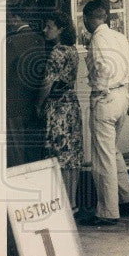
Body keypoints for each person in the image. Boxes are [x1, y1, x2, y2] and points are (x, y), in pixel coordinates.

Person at [77, 0, 129, 226]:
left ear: (87, 18)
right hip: (122, 95)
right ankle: (128, 197)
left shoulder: (98, 38)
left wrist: (101, 90)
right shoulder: (119, 37)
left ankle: (107, 211)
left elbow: (103, 67)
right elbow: (128, 68)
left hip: (106, 97)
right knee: (112, 151)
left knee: (103, 157)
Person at [36, 12, 82, 212]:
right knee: (72, 155)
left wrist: (38, 104)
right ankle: (72, 202)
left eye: (49, 26)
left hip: (57, 106)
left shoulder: (56, 52)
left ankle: (61, 203)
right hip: (71, 103)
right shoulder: (72, 50)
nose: (45, 30)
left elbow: (47, 83)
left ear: (60, 29)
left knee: (58, 153)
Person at [6, 8, 47, 167]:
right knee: (32, 150)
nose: (9, 22)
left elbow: (4, 72)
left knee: (17, 152)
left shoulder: (12, 41)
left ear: (16, 19)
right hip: (33, 102)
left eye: (10, 18)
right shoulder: (39, 39)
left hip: (14, 104)